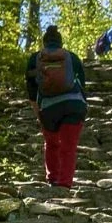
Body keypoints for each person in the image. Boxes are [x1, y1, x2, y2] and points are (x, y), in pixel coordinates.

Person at [25, 25, 87, 188]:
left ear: (44, 43)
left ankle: (52, 179)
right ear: (60, 42)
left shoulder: (35, 59)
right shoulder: (72, 57)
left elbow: (32, 90)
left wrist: (38, 112)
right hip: (74, 105)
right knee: (69, 146)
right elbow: (82, 84)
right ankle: (65, 184)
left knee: (52, 143)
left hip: (48, 107)